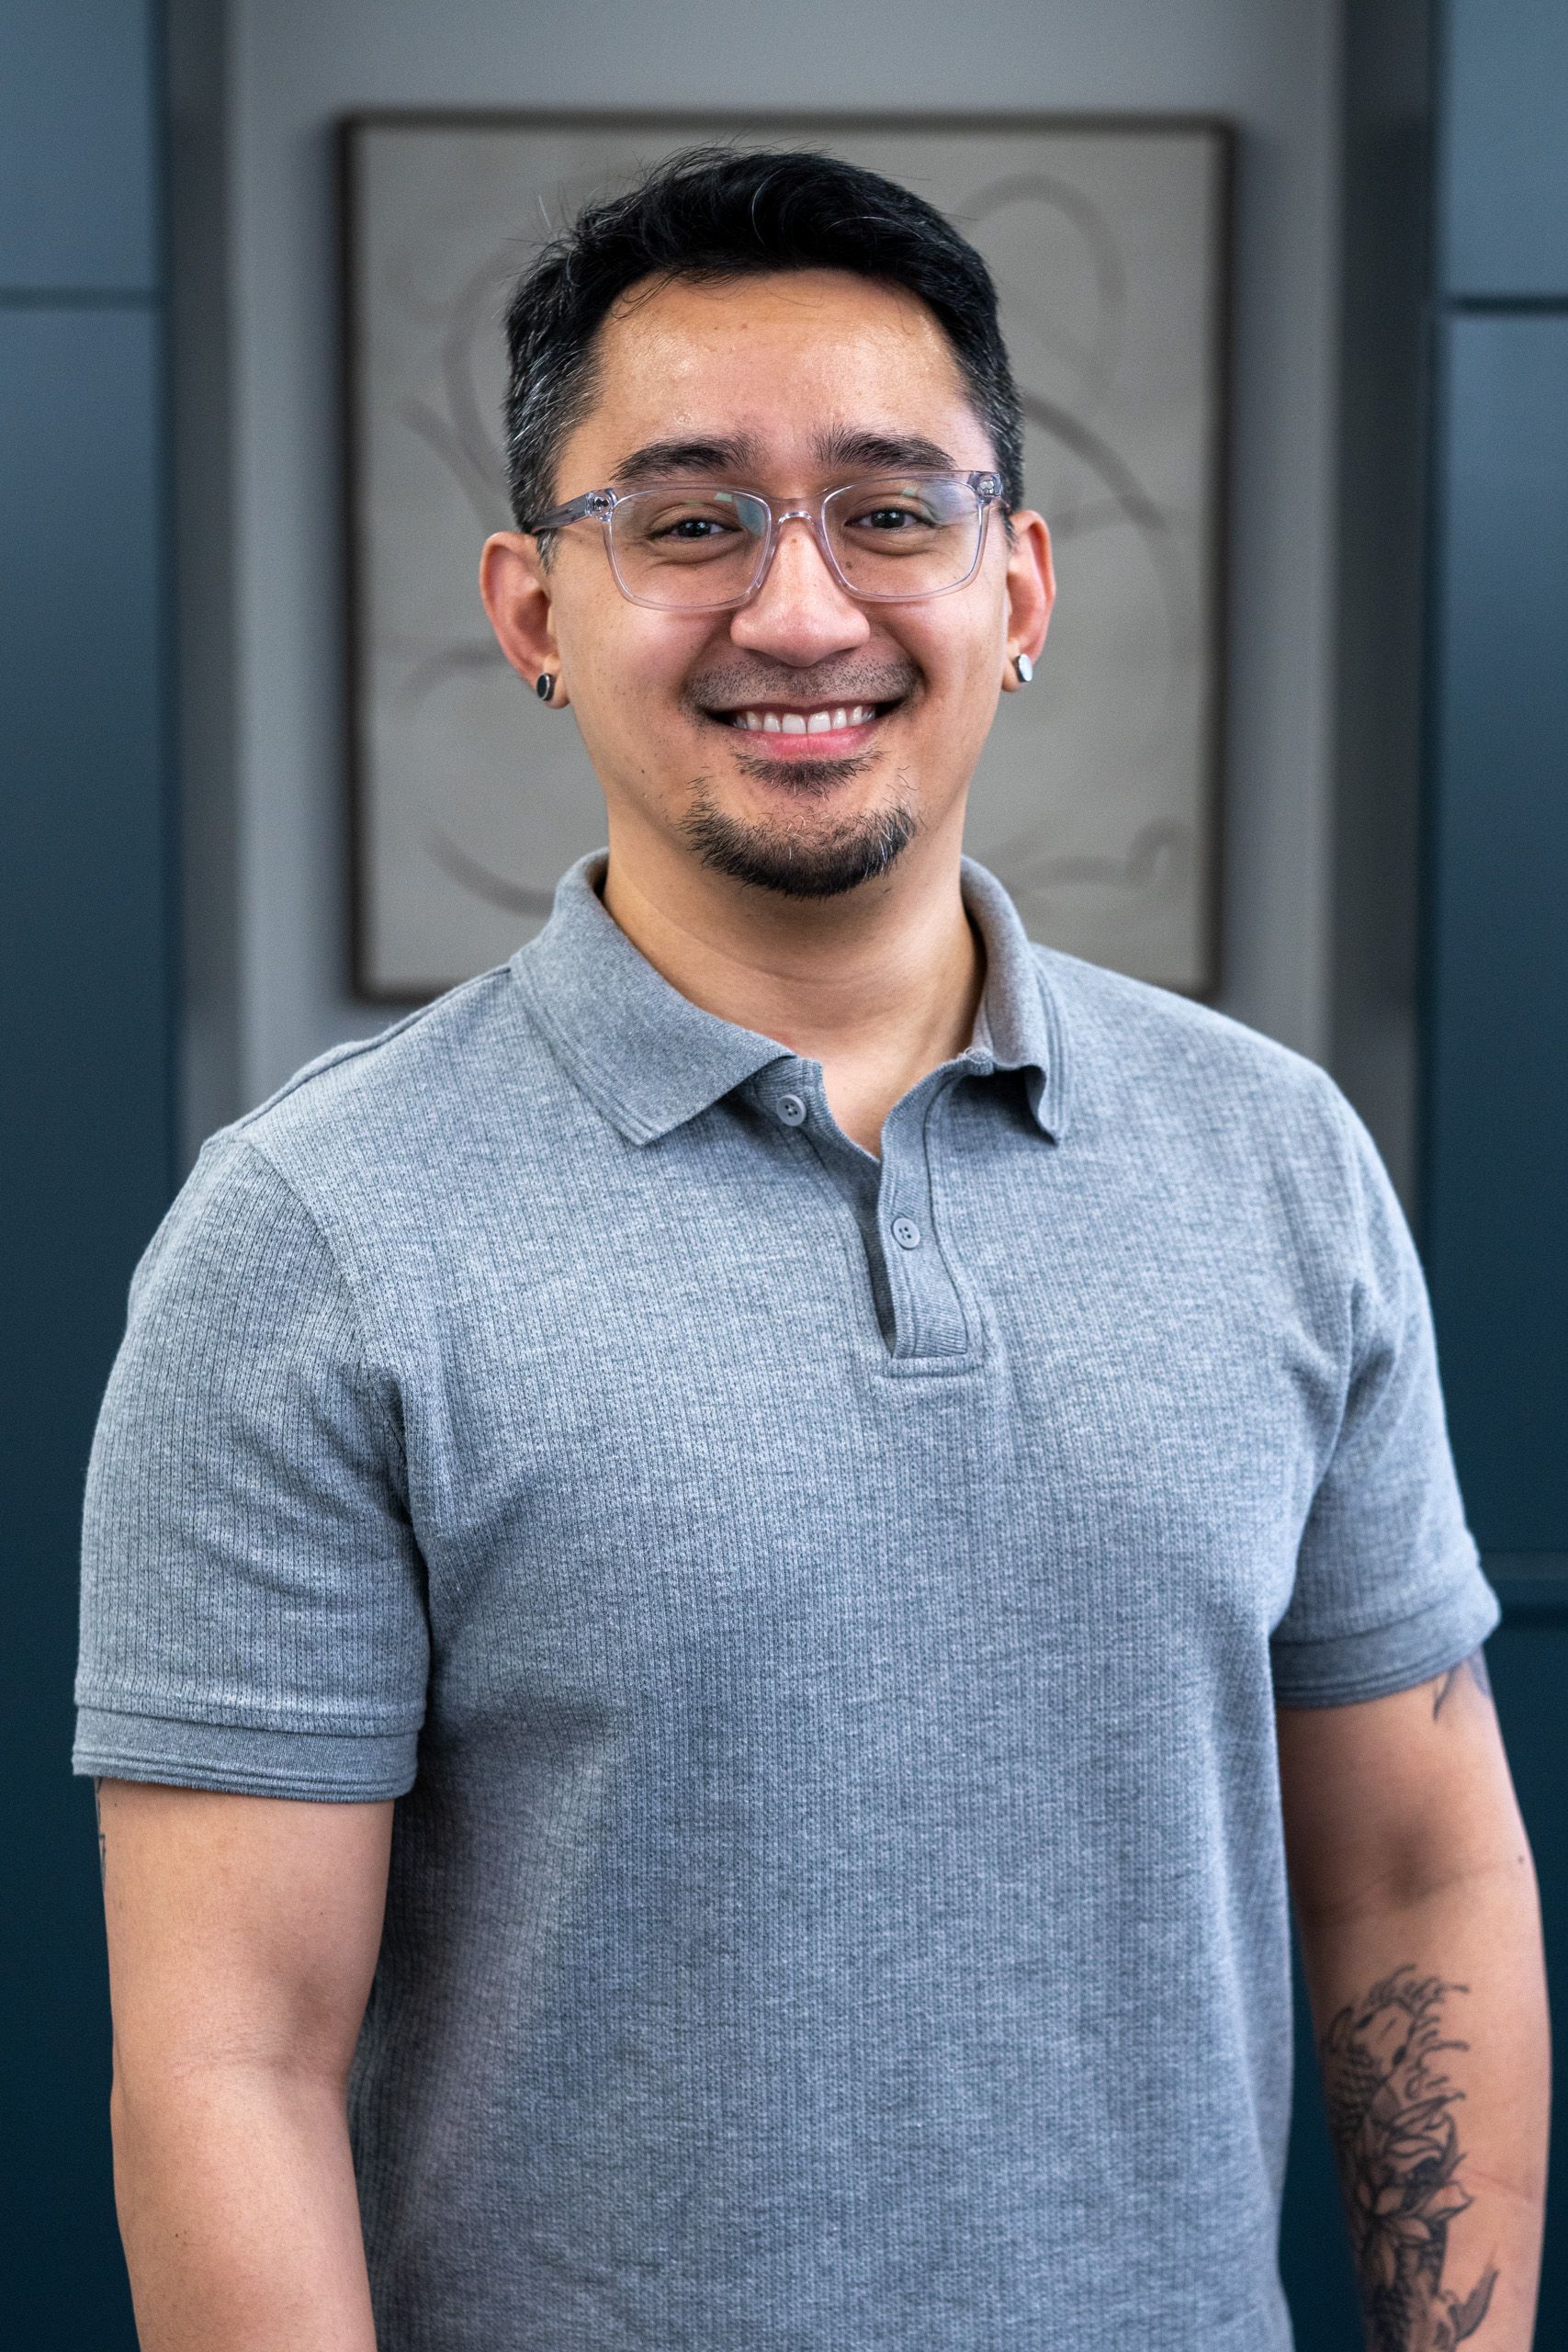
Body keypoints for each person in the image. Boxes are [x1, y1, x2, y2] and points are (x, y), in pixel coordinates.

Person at [76, 147, 1547, 2351]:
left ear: (1017, 585)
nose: (795, 609)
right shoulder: (311, 1241)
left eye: (888, 508)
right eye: (685, 518)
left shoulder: (1278, 1165)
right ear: (531, 610)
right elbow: (230, 2064)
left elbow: (1413, 1868)